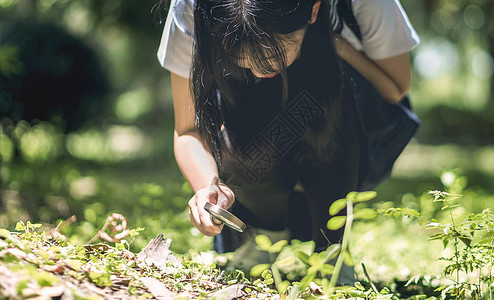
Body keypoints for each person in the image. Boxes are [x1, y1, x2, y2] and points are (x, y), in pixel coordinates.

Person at [157, 0, 420, 283]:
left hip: (347, 151)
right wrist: (208, 184)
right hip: (259, 176)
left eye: (275, 55)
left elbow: (396, 89)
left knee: (326, 88)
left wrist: (332, 41)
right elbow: (188, 129)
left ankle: (332, 253)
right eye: (242, 59)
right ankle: (262, 232)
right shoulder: (192, 7)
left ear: (314, 9)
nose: (259, 72)